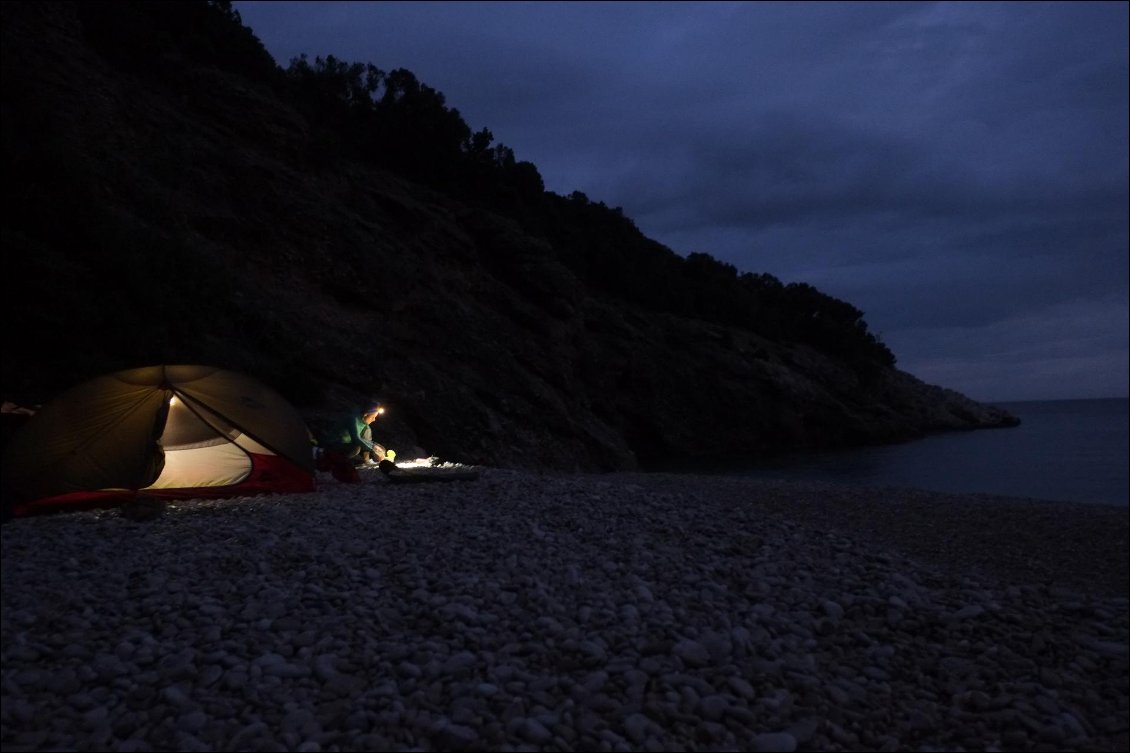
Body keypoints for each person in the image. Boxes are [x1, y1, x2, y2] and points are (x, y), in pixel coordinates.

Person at [317, 402, 389, 482]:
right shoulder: (352, 419)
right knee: (356, 448)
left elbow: (366, 441)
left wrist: (376, 448)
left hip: (344, 446)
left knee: (367, 441)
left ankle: (344, 461)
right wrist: (373, 449)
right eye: (373, 417)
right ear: (366, 414)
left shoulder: (365, 425)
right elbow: (356, 439)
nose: (374, 420)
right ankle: (332, 461)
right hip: (333, 445)